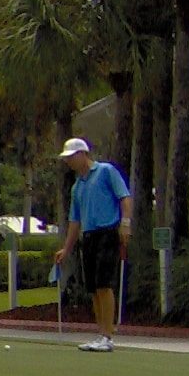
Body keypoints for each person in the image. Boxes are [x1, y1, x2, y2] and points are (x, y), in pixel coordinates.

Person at [53, 136, 133, 352]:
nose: (68, 162)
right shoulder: (77, 186)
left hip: (107, 232)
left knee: (104, 284)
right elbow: (75, 220)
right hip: (88, 237)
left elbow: (125, 198)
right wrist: (67, 249)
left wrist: (125, 224)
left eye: (71, 157)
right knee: (93, 288)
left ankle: (108, 336)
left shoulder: (106, 171)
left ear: (82, 154)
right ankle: (100, 334)